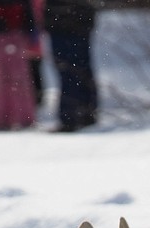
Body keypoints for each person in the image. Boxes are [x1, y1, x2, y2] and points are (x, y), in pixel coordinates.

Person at [0, 0, 36, 130]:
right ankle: (3, 119)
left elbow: (27, 8)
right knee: (1, 79)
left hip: (13, 30)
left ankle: (25, 118)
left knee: (18, 79)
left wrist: (31, 30)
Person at [43, 0, 97, 132]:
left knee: (72, 72)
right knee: (75, 71)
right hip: (68, 23)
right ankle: (82, 114)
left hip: (70, 23)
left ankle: (74, 116)